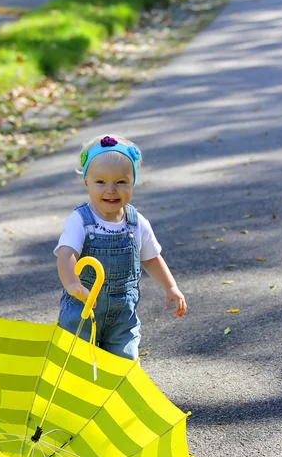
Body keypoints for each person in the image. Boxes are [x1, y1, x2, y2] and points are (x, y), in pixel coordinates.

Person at [54, 134, 187, 361]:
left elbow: (151, 258)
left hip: (122, 315)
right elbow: (67, 253)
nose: (111, 190)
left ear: (132, 182)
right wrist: (73, 283)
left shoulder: (137, 223)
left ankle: (114, 392)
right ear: (87, 182)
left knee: (123, 364)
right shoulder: (80, 220)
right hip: (82, 309)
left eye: (121, 182)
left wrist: (170, 287)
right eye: (101, 182)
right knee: (76, 362)